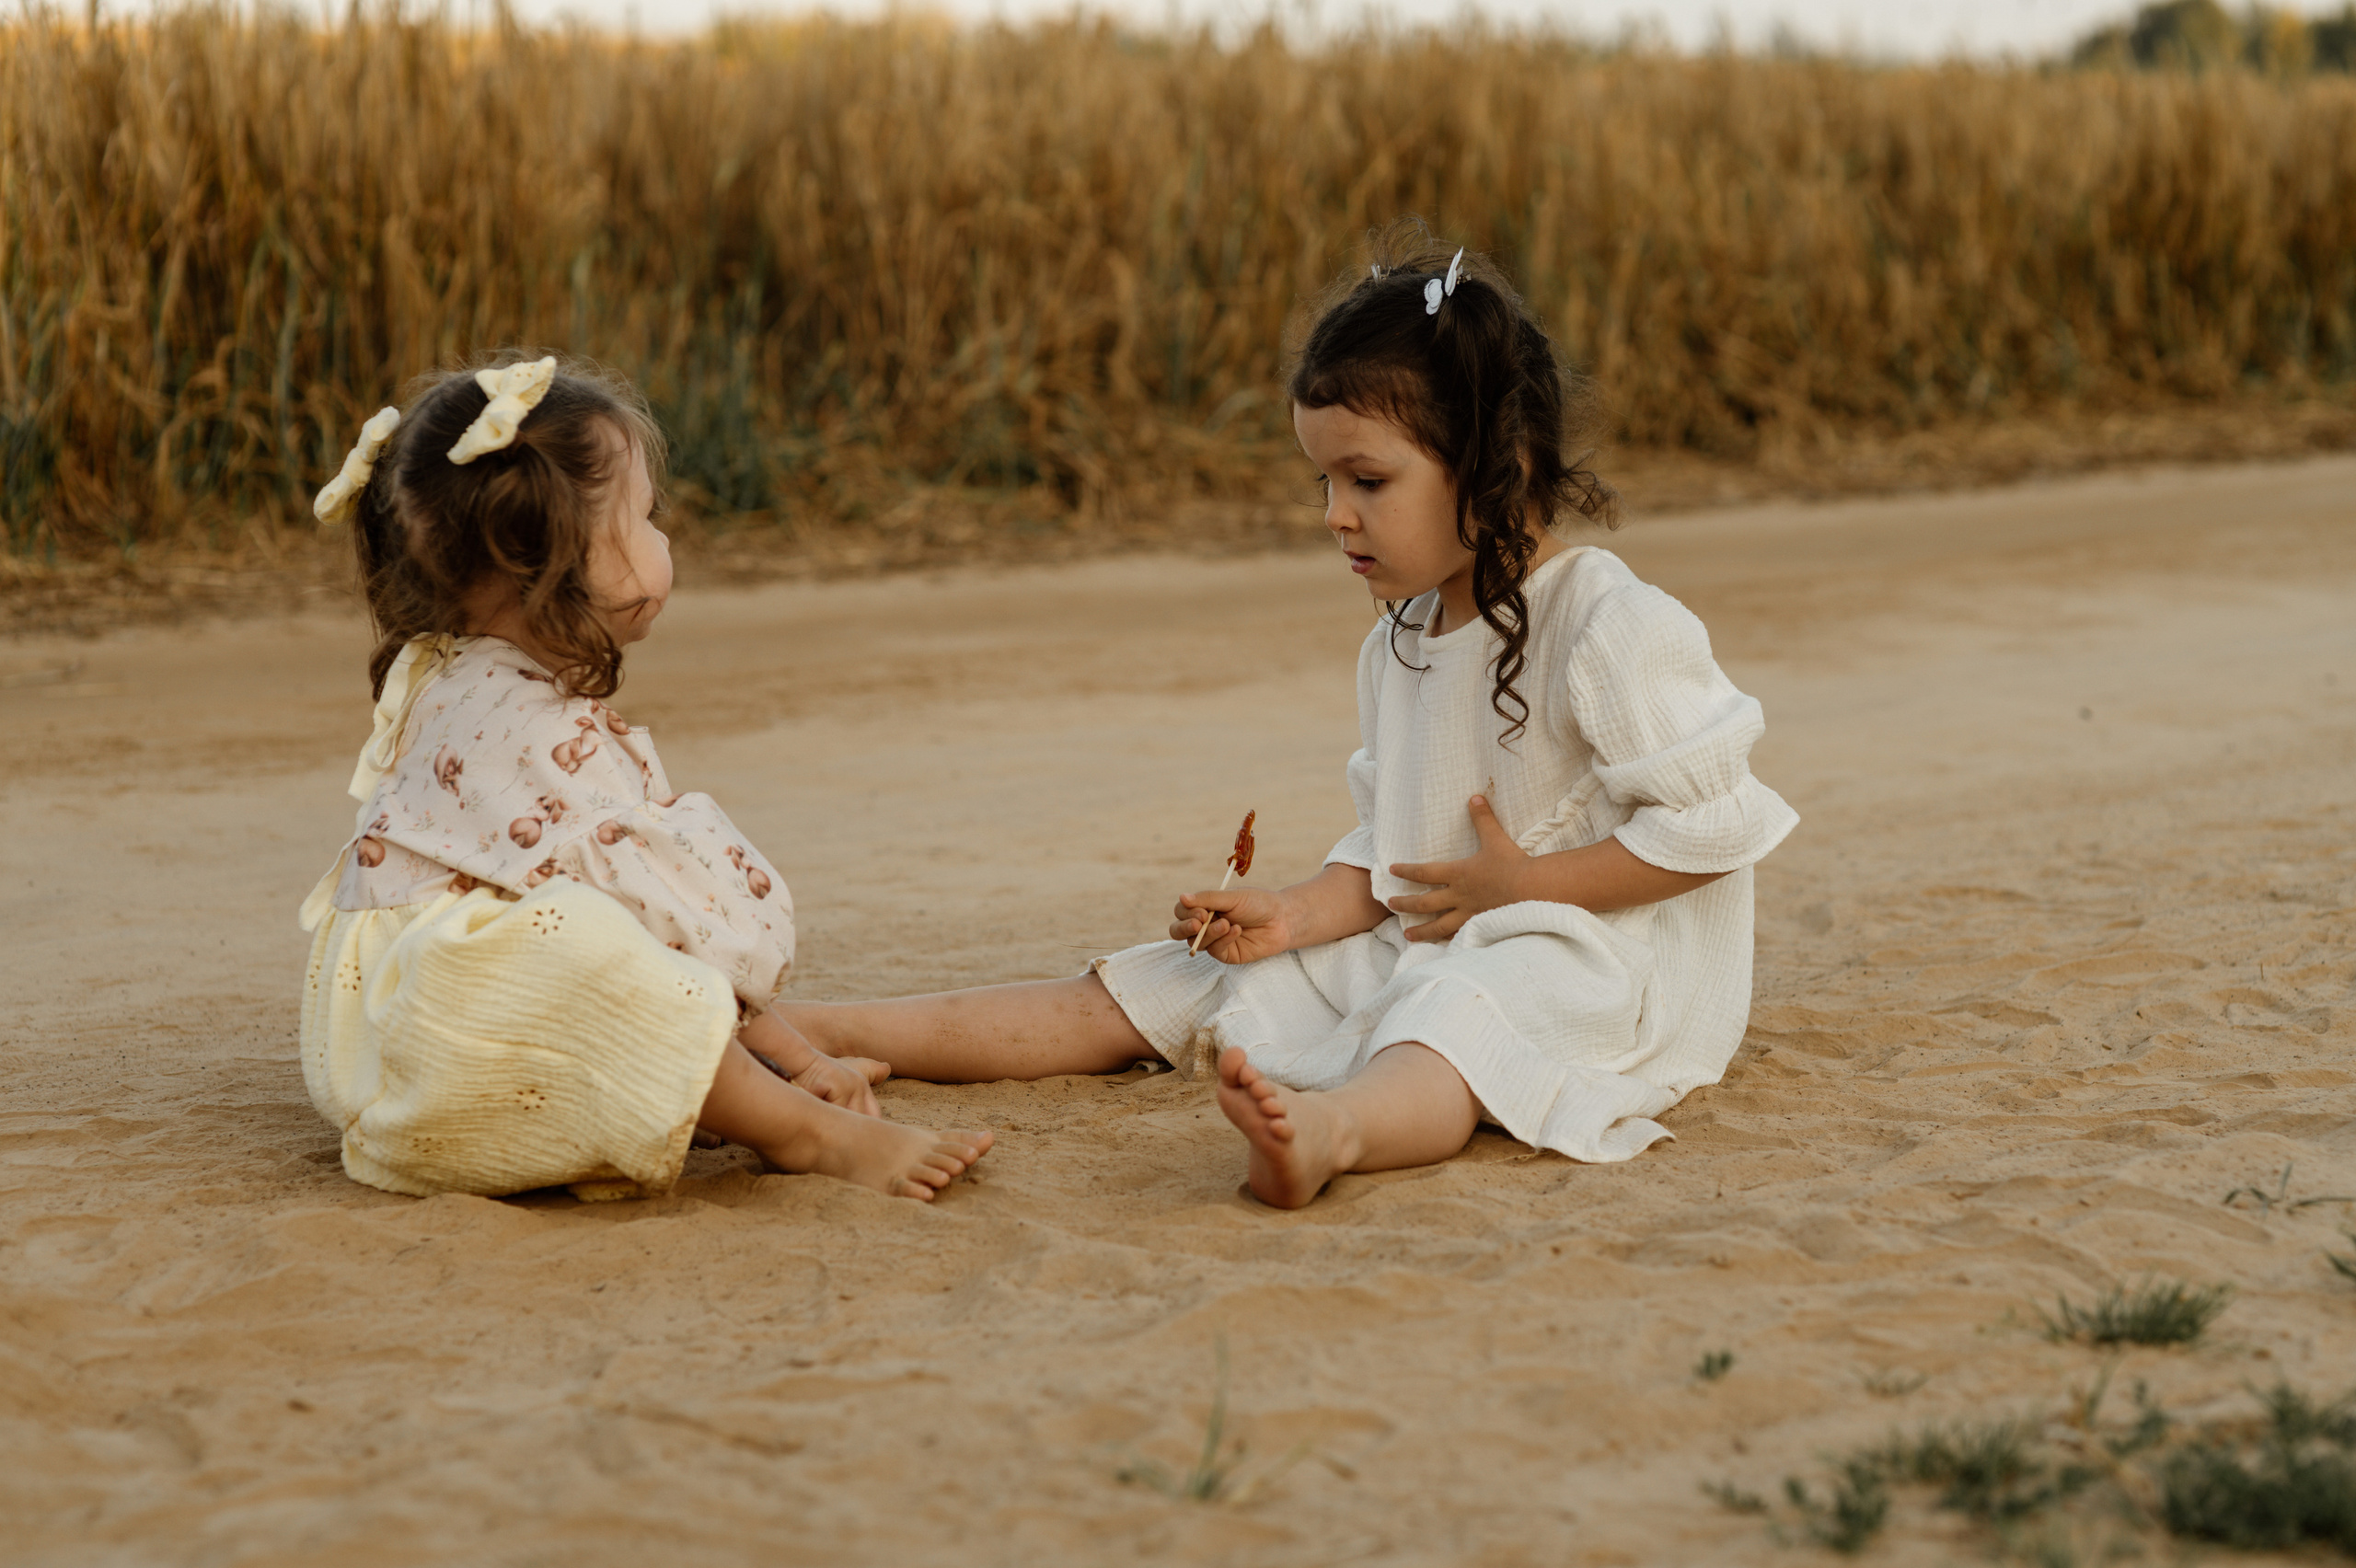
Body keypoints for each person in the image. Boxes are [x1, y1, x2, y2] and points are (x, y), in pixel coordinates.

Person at [779, 225, 1796, 1208]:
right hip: (1440, 932)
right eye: (1324, 480)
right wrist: (1296, 915)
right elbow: (1399, 853)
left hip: (1584, 956)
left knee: (1462, 1011)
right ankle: (809, 1028)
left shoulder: (1610, 625)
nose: (1334, 514)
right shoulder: (1399, 636)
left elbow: (1713, 831)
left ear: (1496, 466)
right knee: (1180, 980)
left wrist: (1522, 887)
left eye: (1368, 480)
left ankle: (1333, 1133)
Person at [298, 353, 990, 1202]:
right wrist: (794, 1065)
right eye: (645, 516)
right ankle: (808, 1133)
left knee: (584, 933)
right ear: (547, 558)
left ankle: (715, 1091)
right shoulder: (524, 724)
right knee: (588, 936)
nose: (663, 539)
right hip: (448, 1050)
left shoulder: (456, 677)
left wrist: (788, 1055)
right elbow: (662, 932)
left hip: (390, 1058)